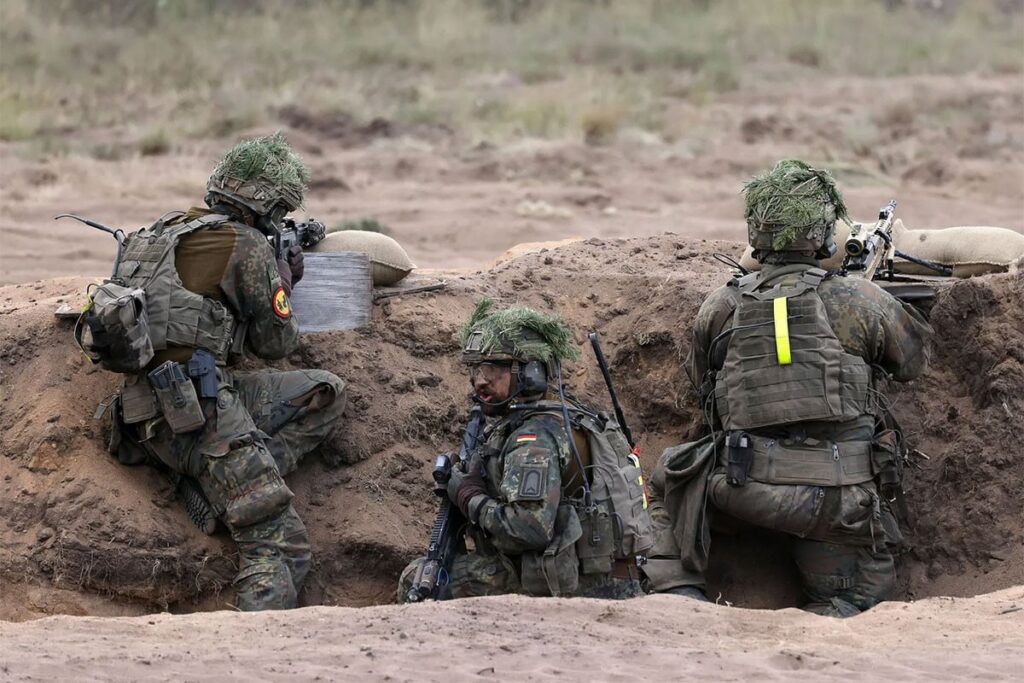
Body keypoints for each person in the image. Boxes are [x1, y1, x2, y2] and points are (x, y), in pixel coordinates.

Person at [652, 160, 932, 616]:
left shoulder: (721, 305)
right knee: (850, 603)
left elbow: (702, 388)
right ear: (825, 237)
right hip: (836, 503)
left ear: (755, 236)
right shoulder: (859, 301)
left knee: (669, 477)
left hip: (743, 489)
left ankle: (676, 592)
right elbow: (912, 364)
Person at [90, 133, 346, 610]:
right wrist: (283, 279)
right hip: (201, 417)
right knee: (280, 546)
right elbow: (276, 344)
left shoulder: (155, 234)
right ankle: (245, 643)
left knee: (324, 391)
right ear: (268, 206)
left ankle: (219, 484)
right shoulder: (245, 244)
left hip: (141, 416)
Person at [398, 301, 653, 601]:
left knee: (418, 580)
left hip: (580, 588)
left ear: (530, 371)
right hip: (606, 576)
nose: (480, 380)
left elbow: (529, 529)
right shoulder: (570, 414)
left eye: (494, 368)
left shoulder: (534, 438)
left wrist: (470, 498)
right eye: (476, 369)